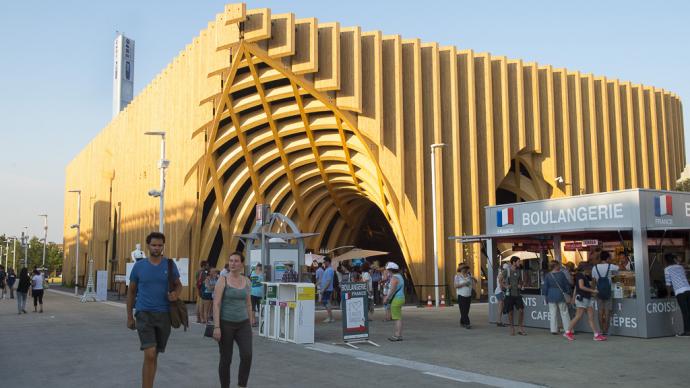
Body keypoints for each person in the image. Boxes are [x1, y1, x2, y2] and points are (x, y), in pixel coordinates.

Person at [126, 232, 182, 388]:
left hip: (164, 315)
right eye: (154, 245)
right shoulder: (139, 266)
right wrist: (130, 317)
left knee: (154, 355)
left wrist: (175, 294)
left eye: (160, 245)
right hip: (144, 313)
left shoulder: (170, 265)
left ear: (163, 246)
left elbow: (178, 284)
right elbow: (131, 292)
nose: (157, 248)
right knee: (150, 353)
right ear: (148, 246)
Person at [212, 252, 253, 388]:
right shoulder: (222, 280)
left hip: (243, 324)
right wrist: (217, 327)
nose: (233, 263)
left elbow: (248, 303)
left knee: (247, 355)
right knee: (226, 359)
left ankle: (242, 385)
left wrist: (251, 319)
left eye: (236, 261)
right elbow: (216, 304)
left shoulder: (247, 281)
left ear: (241, 264)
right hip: (225, 324)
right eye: (231, 261)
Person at [564, 263, 606, 341]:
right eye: (589, 269)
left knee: (590, 317)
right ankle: (567, 332)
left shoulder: (583, 276)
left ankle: (596, 334)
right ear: (585, 268)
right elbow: (581, 287)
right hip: (582, 298)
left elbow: (577, 287)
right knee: (579, 316)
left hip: (587, 298)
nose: (590, 271)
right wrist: (593, 290)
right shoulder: (580, 275)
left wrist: (573, 297)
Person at [592, 251, 618, 336]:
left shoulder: (595, 267)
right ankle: (605, 331)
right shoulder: (611, 266)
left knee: (600, 311)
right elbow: (620, 268)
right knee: (607, 311)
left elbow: (593, 281)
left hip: (598, 291)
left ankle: (600, 329)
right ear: (607, 258)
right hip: (608, 291)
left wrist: (593, 291)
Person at [664, 253, 690, 337]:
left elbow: (668, 284)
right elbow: (684, 276)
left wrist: (668, 294)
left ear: (666, 261)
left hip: (680, 292)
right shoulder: (680, 267)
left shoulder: (667, 269)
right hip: (688, 289)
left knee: (685, 312)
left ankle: (687, 331)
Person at [542, 261, 572, 335]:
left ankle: (553, 329)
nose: (560, 266)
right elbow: (566, 285)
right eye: (559, 265)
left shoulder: (548, 275)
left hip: (551, 295)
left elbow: (545, 287)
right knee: (564, 313)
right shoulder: (561, 274)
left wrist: (545, 295)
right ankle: (567, 329)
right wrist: (568, 292)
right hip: (560, 295)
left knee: (552, 313)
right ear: (555, 266)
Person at [501, 256, 527, 335]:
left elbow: (521, 282)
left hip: (518, 294)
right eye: (518, 261)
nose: (520, 263)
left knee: (521, 310)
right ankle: (512, 328)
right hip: (509, 294)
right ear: (513, 262)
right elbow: (500, 280)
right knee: (510, 312)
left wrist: (521, 285)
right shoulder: (506, 271)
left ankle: (520, 327)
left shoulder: (519, 271)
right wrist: (505, 286)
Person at [383, 262, 405, 341]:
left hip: (396, 299)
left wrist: (387, 298)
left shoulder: (394, 278)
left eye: (388, 270)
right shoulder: (400, 276)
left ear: (390, 270)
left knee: (397, 318)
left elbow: (392, 290)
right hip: (401, 298)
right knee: (398, 317)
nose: (387, 271)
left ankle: (397, 335)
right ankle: (399, 335)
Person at [454, 263, 473, 329]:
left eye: (465, 268)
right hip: (461, 295)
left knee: (466, 310)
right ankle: (467, 323)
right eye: (463, 268)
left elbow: (475, 282)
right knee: (463, 310)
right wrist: (464, 284)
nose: (464, 269)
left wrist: (473, 278)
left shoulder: (469, 275)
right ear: (460, 269)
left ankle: (462, 322)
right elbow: (455, 286)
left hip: (468, 295)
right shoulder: (457, 276)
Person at [319, 257, 335, 323]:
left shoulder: (329, 270)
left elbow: (328, 281)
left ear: (328, 262)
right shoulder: (328, 269)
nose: (324, 263)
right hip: (327, 289)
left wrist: (323, 289)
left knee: (327, 303)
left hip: (327, 289)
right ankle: (330, 317)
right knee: (326, 303)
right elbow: (325, 280)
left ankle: (330, 318)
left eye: (325, 262)